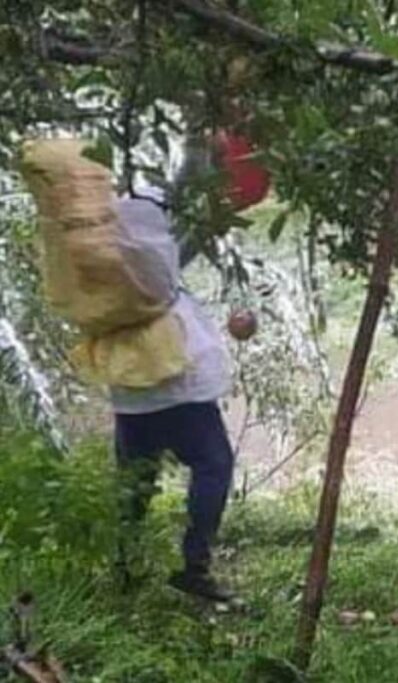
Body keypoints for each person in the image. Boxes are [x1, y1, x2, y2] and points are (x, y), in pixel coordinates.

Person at [112, 186, 237, 603]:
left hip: (132, 394)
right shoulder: (158, 267)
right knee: (214, 465)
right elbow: (202, 216)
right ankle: (195, 567)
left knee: (135, 483)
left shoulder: (104, 273)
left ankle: (123, 568)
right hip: (181, 391)